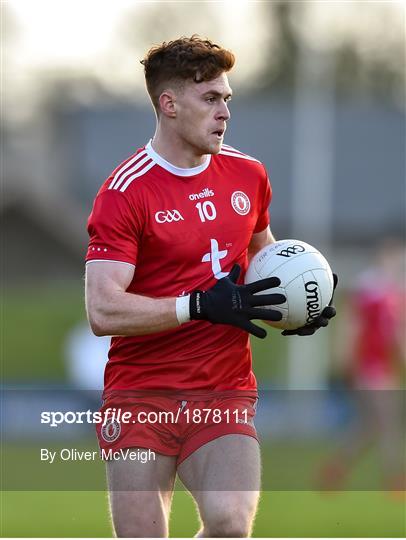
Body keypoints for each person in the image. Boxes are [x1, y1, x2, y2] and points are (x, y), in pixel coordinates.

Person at [85, 36, 336, 538]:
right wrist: (196, 305)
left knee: (229, 522)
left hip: (223, 390)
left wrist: (298, 300)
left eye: (227, 99)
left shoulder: (247, 174)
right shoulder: (125, 192)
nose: (224, 112)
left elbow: (264, 260)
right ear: (169, 104)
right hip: (141, 396)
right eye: (210, 99)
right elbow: (103, 310)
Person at [319, 237, 405, 494]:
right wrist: (344, 358)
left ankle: (335, 468)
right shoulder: (369, 289)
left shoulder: (393, 292)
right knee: (388, 421)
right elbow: (352, 325)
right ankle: (395, 479)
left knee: (370, 426)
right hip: (368, 366)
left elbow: (396, 334)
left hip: (384, 366)